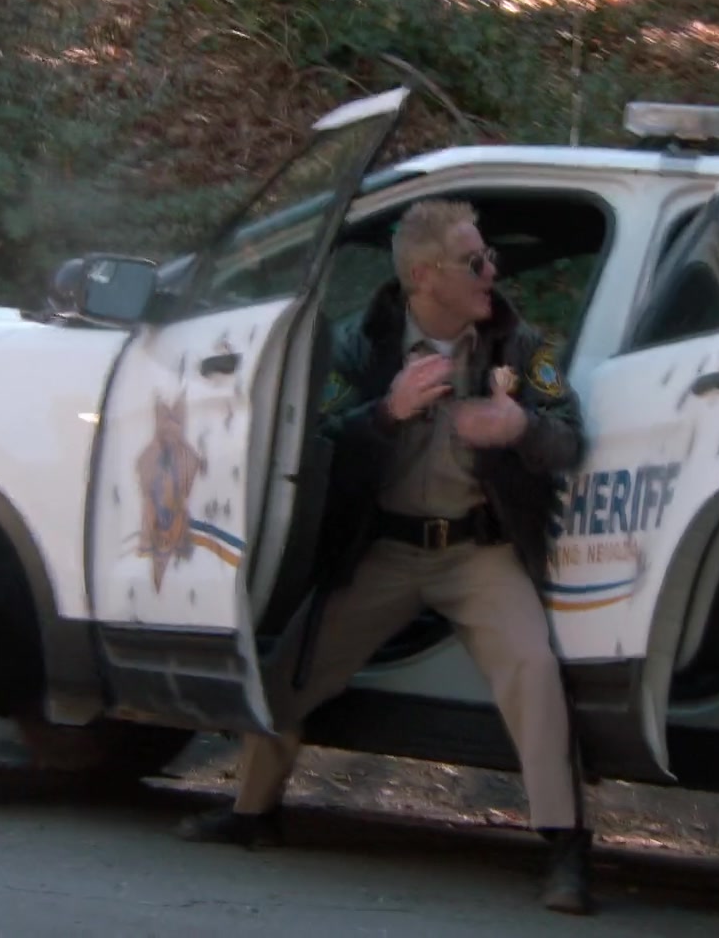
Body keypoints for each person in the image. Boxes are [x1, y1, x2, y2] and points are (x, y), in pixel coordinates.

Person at [175, 199, 596, 914]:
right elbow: (313, 441)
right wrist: (386, 413)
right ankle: (252, 813)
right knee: (290, 670)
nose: (492, 271)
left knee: (534, 671)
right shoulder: (360, 343)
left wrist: (518, 426)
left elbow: (570, 438)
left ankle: (565, 848)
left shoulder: (520, 346)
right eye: (475, 261)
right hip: (385, 549)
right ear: (424, 276)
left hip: (478, 551)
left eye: (489, 257)